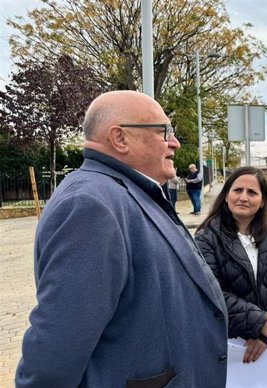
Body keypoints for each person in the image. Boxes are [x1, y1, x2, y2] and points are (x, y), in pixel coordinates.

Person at [16, 90, 229, 388]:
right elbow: (54, 353)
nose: (175, 142)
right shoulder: (91, 205)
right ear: (120, 139)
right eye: (163, 131)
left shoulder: (127, 191)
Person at [195, 166, 267, 388]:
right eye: (238, 190)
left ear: (263, 200)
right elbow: (210, 293)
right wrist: (260, 322)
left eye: (252, 192)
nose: (243, 197)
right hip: (230, 346)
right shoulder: (206, 238)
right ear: (226, 196)